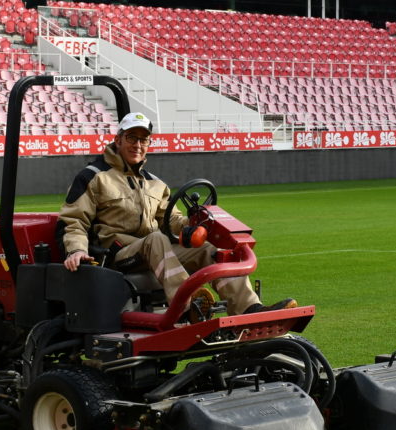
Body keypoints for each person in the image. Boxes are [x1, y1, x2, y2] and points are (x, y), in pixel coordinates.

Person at [56, 112, 296, 317]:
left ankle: (249, 308)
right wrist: (77, 250)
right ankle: (188, 305)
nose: (137, 145)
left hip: (153, 251)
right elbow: (74, 220)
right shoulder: (94, 176)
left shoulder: (155, 184)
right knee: (157, 240)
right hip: (116, 254)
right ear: (118, 140)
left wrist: (190, 226)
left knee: (208, 250)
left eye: (143, 140)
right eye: (131, 138)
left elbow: (170, 219)